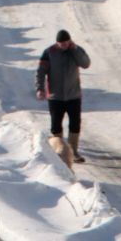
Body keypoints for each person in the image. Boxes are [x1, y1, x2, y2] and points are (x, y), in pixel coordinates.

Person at [36, 27, 91, 160]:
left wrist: (75, 49)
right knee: (56, 126)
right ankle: (59, 151)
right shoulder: (49, 52)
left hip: (74, 96)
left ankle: (73, 152)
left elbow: (85, 64)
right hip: (55, 97)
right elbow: (40, 71)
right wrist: (40, 89)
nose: (64, 46)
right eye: (62, 44)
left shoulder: (76, 50)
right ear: (57, 43)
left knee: (75, 124)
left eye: (67, 43)